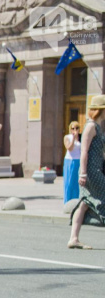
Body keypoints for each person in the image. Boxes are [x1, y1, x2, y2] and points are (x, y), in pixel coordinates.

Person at [68, 95, 105, 250]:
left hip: (95, 168)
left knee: (85, 203)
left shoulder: (98, 126)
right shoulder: (91, 126)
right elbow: (84, 151)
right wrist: (83, 173)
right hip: (91, 171)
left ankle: (73, 238)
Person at [62, 121, 82, 203]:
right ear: (70, 129)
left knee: (77, 183)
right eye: (73, 128)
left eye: (77, 128)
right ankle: (68, 201)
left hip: (79, 161)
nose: (75, 130)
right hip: (70, 161)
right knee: (69, 182)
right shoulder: (67, 137)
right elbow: (69, 148)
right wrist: (73, 138)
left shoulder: (81, 138)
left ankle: (76, 201)